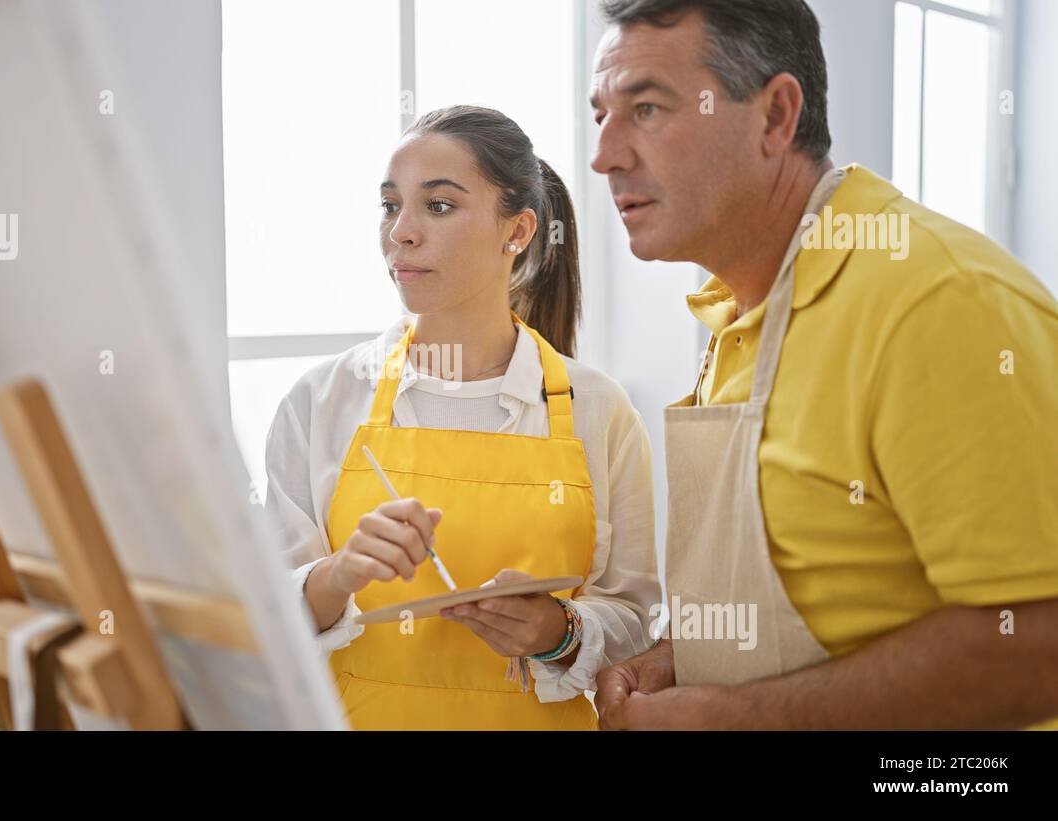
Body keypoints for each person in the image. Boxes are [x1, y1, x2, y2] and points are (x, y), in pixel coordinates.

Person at [588, 0, 1058, 730]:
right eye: (601, 115)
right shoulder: (737, 311)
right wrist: (687, 655)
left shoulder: (938, 302)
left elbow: (1038, 641)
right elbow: (836, 592)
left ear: (775, 116)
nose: (605, 154)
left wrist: (739, 717)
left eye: (646, 108)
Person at [264, 105, 660, 730]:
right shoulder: (320, 402)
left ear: (519, 231)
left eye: (439, 206)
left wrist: (559, 631)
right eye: (390, 205)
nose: (401, 232)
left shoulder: (599, 411)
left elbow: (636, 625)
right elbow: (264, 625)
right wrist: (337, 576)